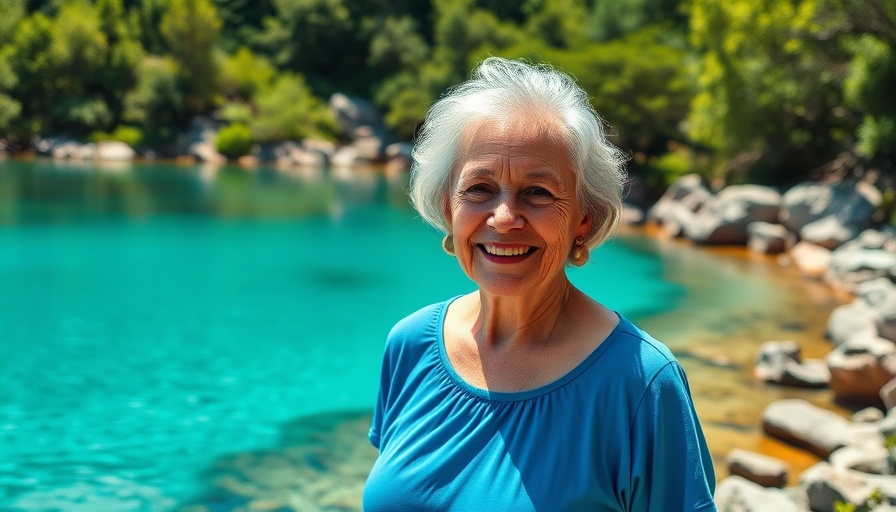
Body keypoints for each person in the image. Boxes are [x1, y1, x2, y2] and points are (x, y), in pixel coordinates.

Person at [363, 57, 716, 511]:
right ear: (449, 209)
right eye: (479, 189)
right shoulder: (409, 346)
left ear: (582, 221)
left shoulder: (642, 383)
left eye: (538, 193)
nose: (505, 218)